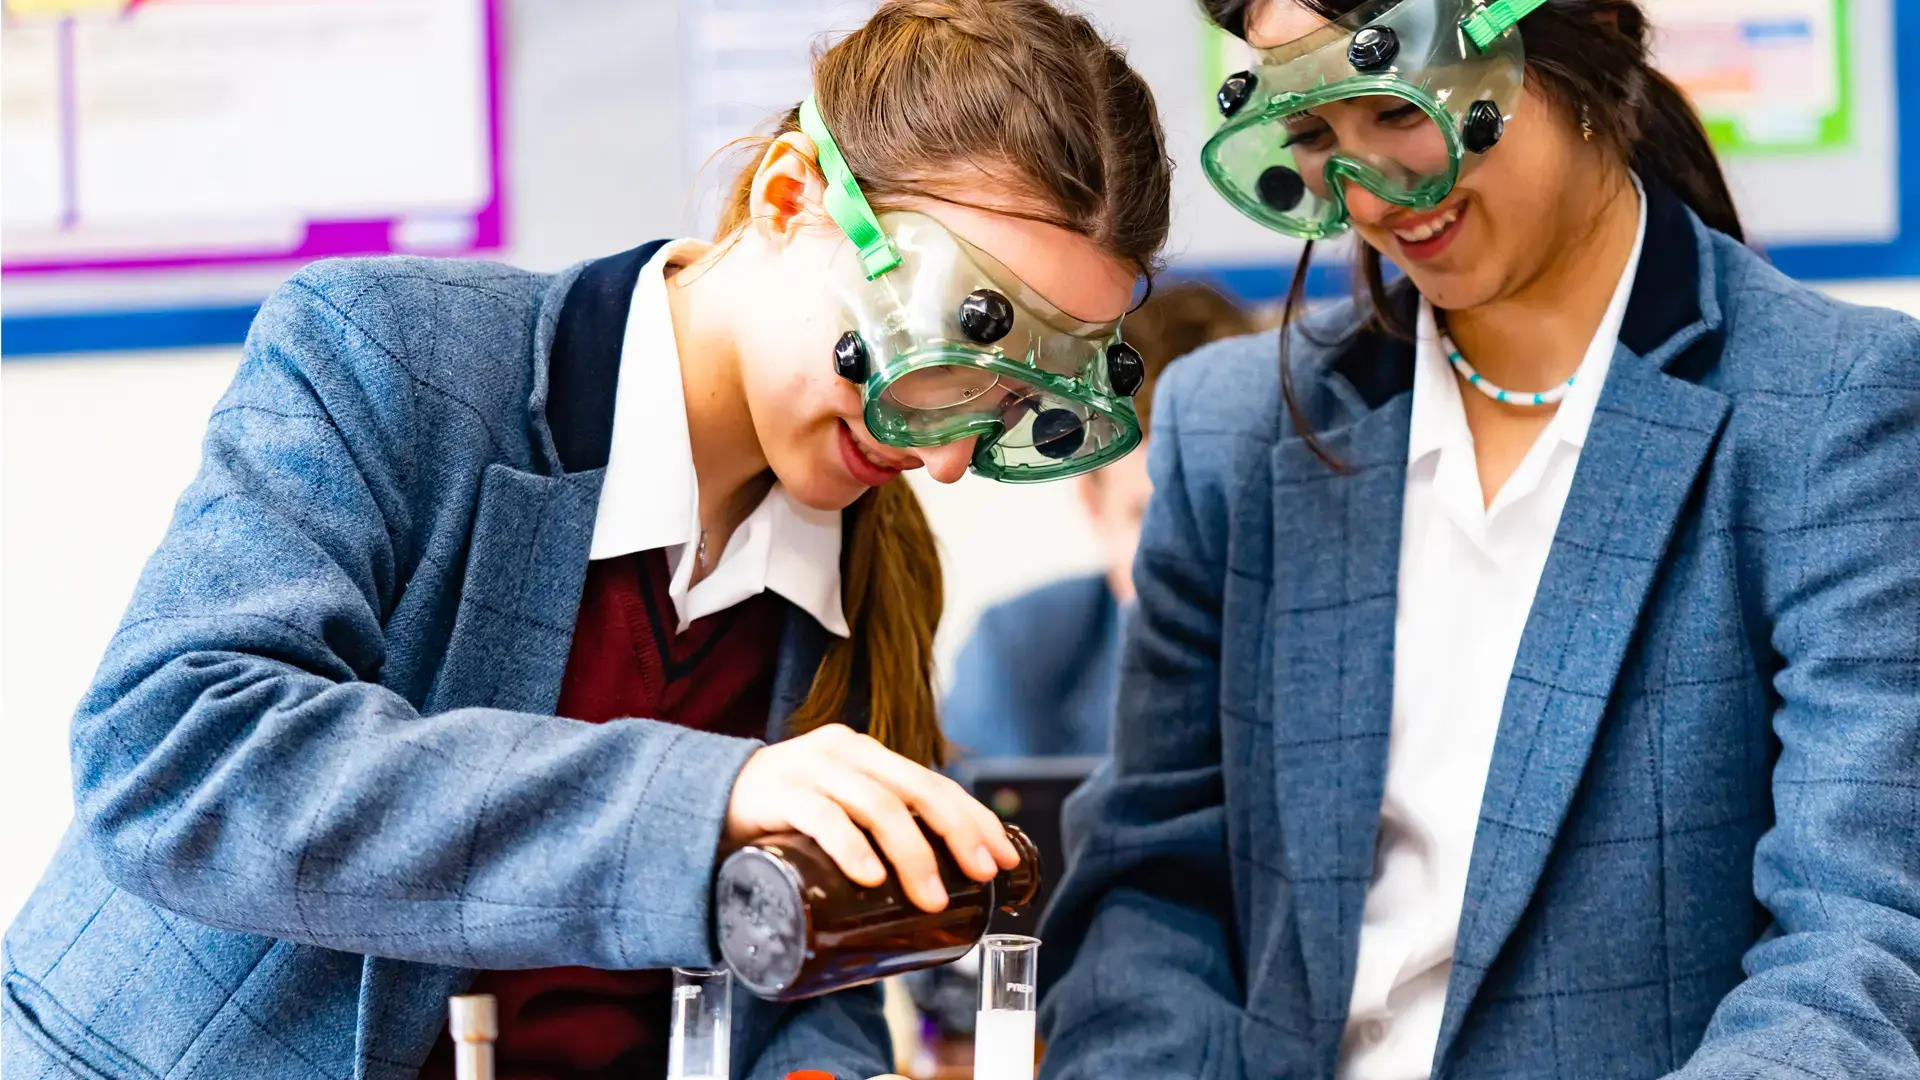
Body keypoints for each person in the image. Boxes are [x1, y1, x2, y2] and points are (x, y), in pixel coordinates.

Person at [0, 2, 1172, 1079]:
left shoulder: (861, 560)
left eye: (1001, 406)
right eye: (933, 357)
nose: (946, 455)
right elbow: (175, 757)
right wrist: (709, 799)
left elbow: (795, 973)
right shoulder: (393, 358)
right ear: (787, 199)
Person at [1039, 1, 1920, 1078]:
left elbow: (1865, 939)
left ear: (1575, 36)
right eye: (1315, 134)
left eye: (1396, 105)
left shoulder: (1830, 410)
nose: (1365, 193)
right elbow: (1147, 890)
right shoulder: (1232, 431)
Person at [942, 283, 1256, 761]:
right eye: (1148, 517)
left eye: (1218, 513)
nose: (1186, 561)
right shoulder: (1015, 655)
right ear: (1093, 503)